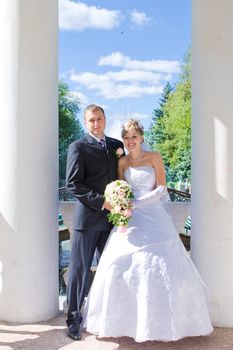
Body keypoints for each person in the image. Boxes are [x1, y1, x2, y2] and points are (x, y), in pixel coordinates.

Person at [83, 119, 213, 342]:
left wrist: (137, 204)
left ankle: (166, 324)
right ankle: (126, 322)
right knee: (119, 265)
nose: (130, 141)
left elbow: (161, 188)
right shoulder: (121, 162)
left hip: (153, 216)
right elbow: (122, 189)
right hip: (129, 219)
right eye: (126, 137)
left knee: (161, 264)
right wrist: (122, 204)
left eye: (134, 136)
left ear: (141, 137)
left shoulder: (154, 157)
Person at [65, 104, 124, 341]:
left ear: (105, 119)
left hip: (113, 222)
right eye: (91, 120)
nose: (96, 124)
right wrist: (103, 202)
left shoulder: (115, 146)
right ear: (86, 123)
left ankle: (111, 318)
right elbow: (73, 184)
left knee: (114, 270)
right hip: (88, 221)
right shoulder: (77, 147)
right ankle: (73, 320)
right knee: (79, 272)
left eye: (99, 119)